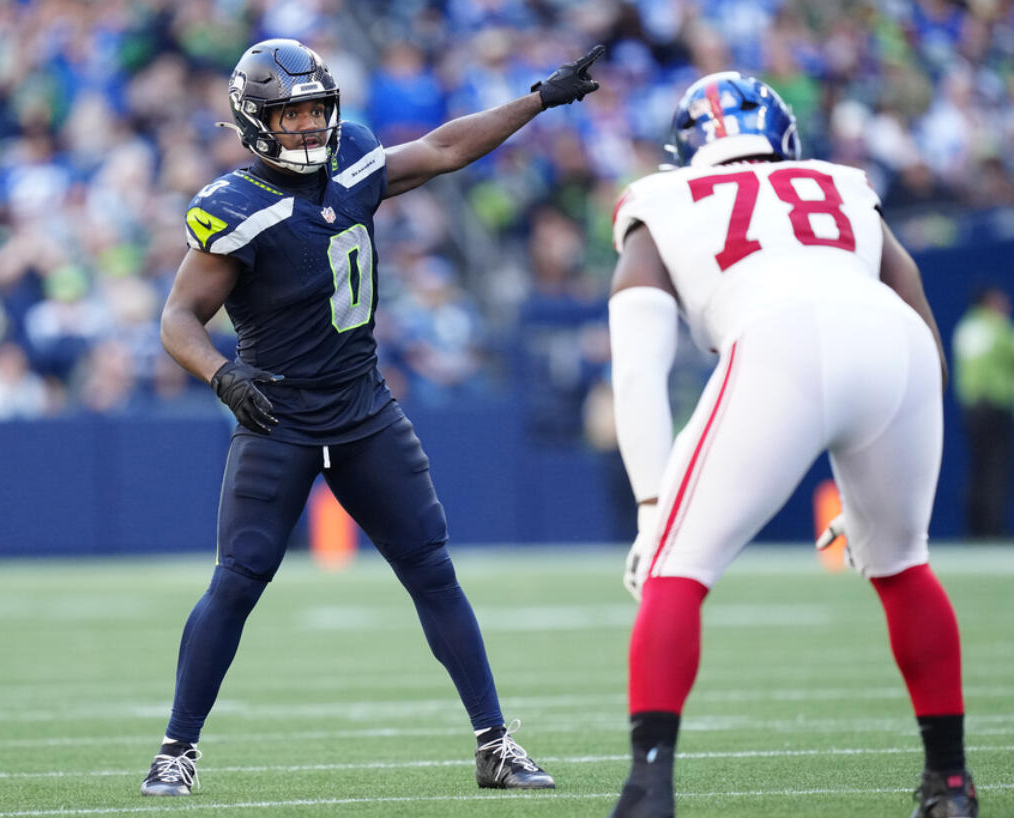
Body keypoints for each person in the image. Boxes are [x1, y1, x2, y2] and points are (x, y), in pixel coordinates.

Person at [140, 37, 603, 797]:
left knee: (433, 570)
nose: (308, 129)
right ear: (254, 122)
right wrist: (223, 377)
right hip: (278, 416)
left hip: (363, 411)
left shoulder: (354, 159)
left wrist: (537, 99)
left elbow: (446, 146)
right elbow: (178, 318)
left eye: (316, 111)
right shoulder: (237, 207)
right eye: (289, 117)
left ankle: (495, 743)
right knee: (238, 579)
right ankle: (175, 749)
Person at [603, 72, 976, 818]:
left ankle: (648, 791)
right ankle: (952, 785)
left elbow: (638, 364)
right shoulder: (844, 184)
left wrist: (652, 503)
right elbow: (916, 311)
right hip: (897, 347)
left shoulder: (660, 199)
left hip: (777, 337)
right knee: (903, 563)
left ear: (688, 148)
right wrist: (888, 483)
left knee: (677, 567)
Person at [952, 285, 1014, 538]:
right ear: (989, 302)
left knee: (978, 468)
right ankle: (992, 530)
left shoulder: (965, 329)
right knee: (995, 469)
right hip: (996, 405)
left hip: (971, 407)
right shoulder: (997, 328)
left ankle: (975, 529)